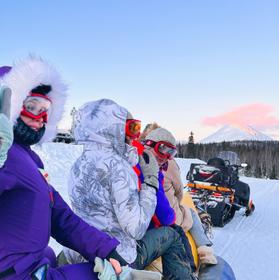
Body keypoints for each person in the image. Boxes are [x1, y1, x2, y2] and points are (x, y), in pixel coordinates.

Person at [0, 58, 123, 280]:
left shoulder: (30, 160)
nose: (40, 118)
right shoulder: (4, 155)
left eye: (46, 109)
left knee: (51, 255)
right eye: (31, 106)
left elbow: (61, 217)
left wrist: (106, 249)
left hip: (29, 267)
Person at [66, 99, 196, 280]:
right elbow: (136, 229)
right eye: (130, 128)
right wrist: (150, 183)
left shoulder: (78, 165)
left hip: (85, 251)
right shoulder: (118, 168)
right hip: (118, 258)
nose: (133, 136)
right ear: (111, 129)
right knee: (172, 235)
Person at [141, 127, 217, 266]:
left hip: (147, 218)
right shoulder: (161, 168)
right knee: (191, 213)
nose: (165, 156)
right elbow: (179, 191)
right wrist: (177, 202)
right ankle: (206, 251)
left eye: (171, 152)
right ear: (150, 143)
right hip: (159, 219)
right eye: (163, 149)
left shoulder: (137, 160)